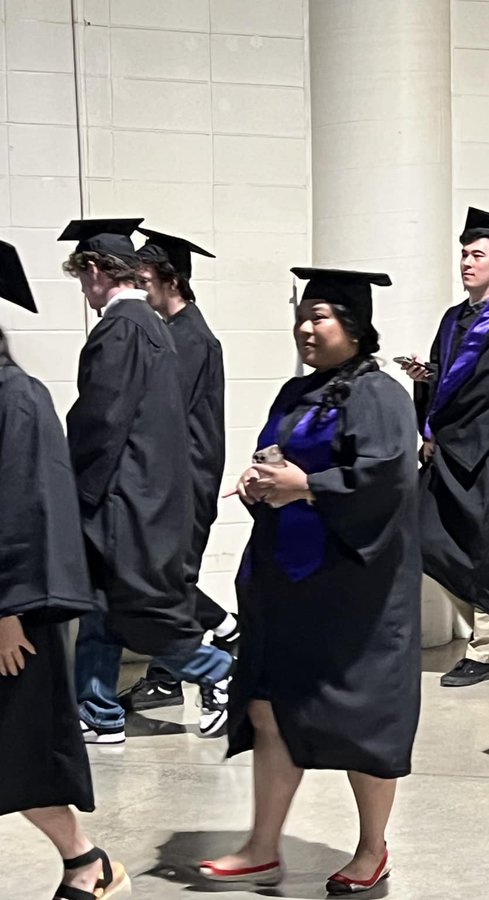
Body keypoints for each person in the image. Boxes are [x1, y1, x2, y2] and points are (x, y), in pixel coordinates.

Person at [202, 268, 420, 894]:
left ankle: (372, 848)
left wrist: (308, 487)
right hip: (288, 584)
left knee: (363, 724)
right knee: (269, 708)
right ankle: (262, 846)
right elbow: (275, 460)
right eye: (302, 314)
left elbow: (387, 482)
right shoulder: (296, 393)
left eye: (320, 316)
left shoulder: (380, 396)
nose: (305, 327)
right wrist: (259, 481)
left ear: (353, 326)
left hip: (357, 591)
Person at [58, 219, 232, 745]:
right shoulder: (156, 328)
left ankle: (215, 669)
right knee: (104, 603)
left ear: (94, 270)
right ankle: (98, 709)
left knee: (129, 607)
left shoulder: (120, 328)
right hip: (142, 494)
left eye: (82, 280)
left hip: (119, 496)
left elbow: (101, 419)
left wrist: (75, 488)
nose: (85, 294)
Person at [0, 241, 131, 899]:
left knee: (19, 760)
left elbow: (25, 509)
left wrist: (8, 612)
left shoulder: (16, 399)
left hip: (12, 615)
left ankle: (87, 861)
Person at [404, 208, 489, 688]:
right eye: (464, 254)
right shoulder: (453, 318)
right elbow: (448, 379)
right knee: (420, 532)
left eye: (478, 255)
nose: (467, 262)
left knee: (482, 549)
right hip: (450, 448)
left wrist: (441, 436)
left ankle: (481, 650)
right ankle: (487, 620)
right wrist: (425, 380)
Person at [119, 228, 239, 731]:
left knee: (166, 582)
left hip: (185, 482)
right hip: (170, 478)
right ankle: (171, 674)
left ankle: (223, 654)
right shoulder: (168, 331)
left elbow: (165, 417)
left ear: (170, 281)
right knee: (164, 580)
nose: (139, 289)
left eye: (144, 279)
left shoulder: (190, 339)